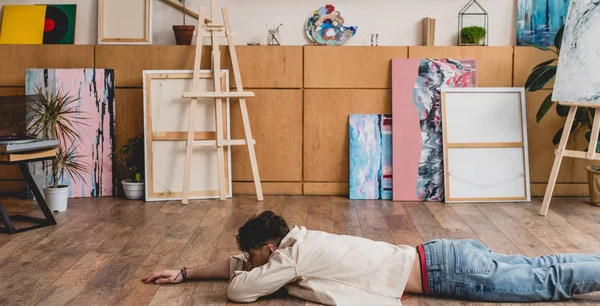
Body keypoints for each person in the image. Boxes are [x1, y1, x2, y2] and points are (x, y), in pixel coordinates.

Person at [142, 210, 600, 305]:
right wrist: (184, 273)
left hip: (446, 272)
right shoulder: (301, 243)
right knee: (545, 268)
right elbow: (240, 267)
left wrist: (264, 275)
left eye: (255, 258)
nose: (253, 265)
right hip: (442, 256)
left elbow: (240, 291)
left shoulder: (292, 258)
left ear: (269, 249)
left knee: (549, 284)